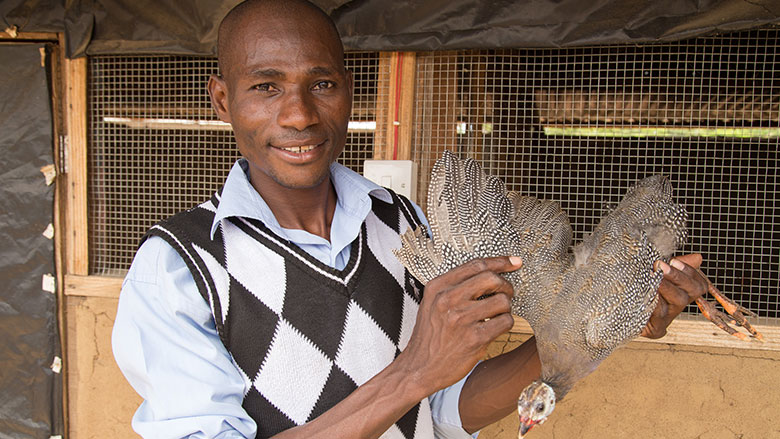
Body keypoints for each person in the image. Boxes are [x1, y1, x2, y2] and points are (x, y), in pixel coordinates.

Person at [112, 0, 709, 437]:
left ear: (348, 91)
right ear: (223, 100)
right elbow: (418, 383)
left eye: (321, 84)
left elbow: (442, 411)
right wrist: (413, 372)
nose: (298, 115)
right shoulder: (180, 268)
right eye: (266, 86)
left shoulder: (404, 226)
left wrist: (584, 329)